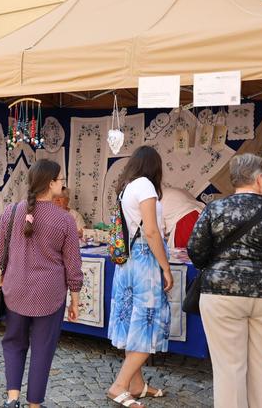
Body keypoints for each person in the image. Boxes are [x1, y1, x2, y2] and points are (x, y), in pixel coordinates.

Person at [0, 160, 83, 408]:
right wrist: (75, 298)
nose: (63, 184)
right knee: (42, 349)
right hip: (50, 293)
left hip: (15, 290)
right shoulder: (64, 220)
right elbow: (73, 264)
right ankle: (34, 403)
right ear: (51, 182)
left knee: (13, 342)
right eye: (60, 179)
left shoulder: (10, 212)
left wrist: (4, 275)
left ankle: (12, 398)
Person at [187, 153, 262, 408]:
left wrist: (216, 266)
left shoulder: (215, 208)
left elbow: (195, 250)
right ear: (260, 180)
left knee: (228, 369)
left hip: (220, 294)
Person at [107, 145, 173, 408]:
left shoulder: (128, 186)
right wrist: (166, 267)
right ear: (154, 167)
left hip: (128, 263)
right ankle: (120, 385)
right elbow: (152, 232)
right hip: (144, 262)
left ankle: (136, 384)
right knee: (147, 324)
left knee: (134, 322)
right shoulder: (145, 185)